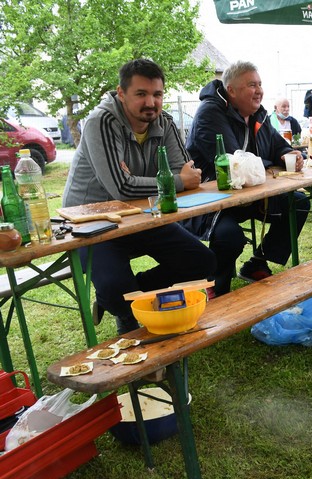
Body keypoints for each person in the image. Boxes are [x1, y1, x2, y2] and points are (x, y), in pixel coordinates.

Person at [63, 59, 216, 334]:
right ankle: (125, 313)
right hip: (90, 223)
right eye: (141, 94)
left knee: (202, 261)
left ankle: (133, 293)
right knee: (114, 287)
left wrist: (162, 181)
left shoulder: (165, 122)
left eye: (157, 94)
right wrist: (171, 180)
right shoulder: (102, 121)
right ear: (121, 94)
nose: (151, 102)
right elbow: (122, 188)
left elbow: (189, 178)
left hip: (141, 215)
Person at [185, 61, 309, 297]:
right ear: (231, 90)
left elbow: (277, 146)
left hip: (248, 196)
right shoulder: (210, 113)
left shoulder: (256, 115)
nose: (259, 90)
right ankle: (215, 287)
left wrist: (287, 155)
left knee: (298, 202)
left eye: (260, 84)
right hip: (211, 201)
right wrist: (266, 162)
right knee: (230, 238)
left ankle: (257, 263)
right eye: (252, 85)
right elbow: (236, 165)